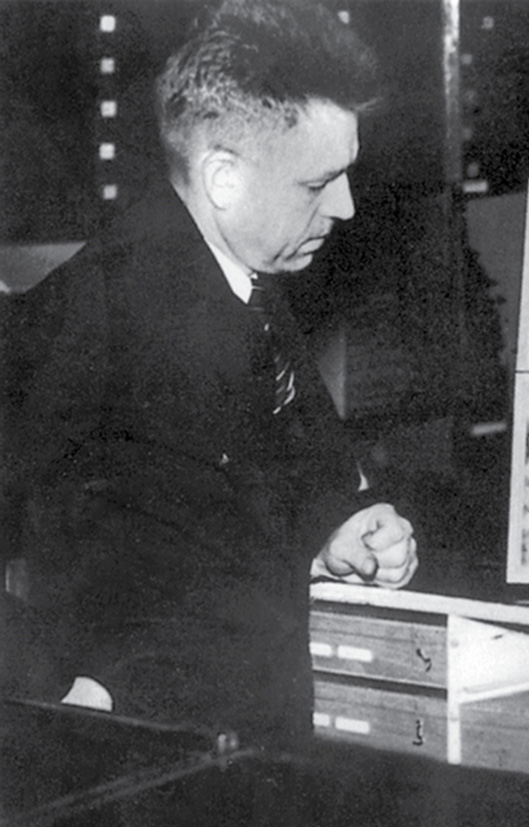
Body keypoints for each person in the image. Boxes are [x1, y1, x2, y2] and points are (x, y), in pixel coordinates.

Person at [1, 0, 418, 748]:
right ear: (223, 176)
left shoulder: (246, 276)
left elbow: (223, 496)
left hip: (249, 751)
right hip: (135, 771)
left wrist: (336, 528)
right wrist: (52, 690)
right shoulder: (98, 305)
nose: (347, 207)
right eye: (318, 183)